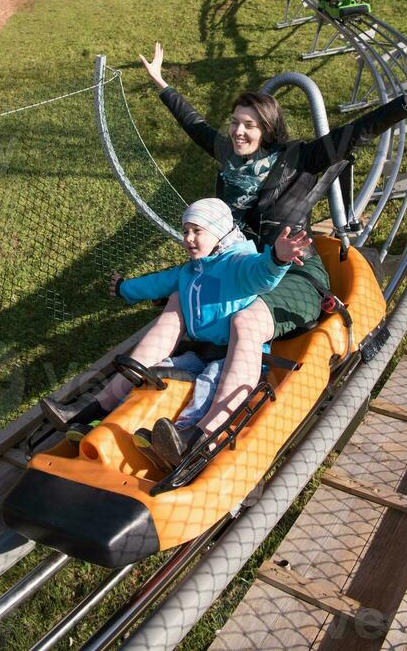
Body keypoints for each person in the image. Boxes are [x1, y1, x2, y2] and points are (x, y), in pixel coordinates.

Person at [138, 41, 407, 346]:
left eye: (248, 125)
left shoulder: (300, 159)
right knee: (183, 301)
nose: (237, 132)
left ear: (267, 129)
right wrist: (162, 83)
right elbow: (196, 125)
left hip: (291, 270)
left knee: (240, 320)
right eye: (234, 123)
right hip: (242, 268)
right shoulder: (230, 158)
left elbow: (355, 132)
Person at [41, 198, 312, 469]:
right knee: (155, 371)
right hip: (198, 353)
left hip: (230, 359)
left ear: (219, 233)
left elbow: (261, 272)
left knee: (208, 385)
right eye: (185, 231)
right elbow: (156, 283)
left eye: (197, 231)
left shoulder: (237, 264)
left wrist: (277, 258)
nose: (189, 239)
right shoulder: (190, 271)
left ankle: (189, 438)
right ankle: (98, 416)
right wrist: (125, 288)